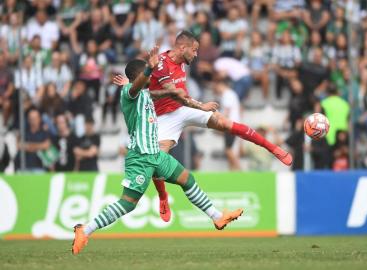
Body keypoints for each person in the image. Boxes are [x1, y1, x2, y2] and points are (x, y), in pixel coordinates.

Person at [72, 47, 243, 255]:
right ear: (140, 75)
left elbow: (155, 92)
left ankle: (217, 216)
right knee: (128, 204)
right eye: (149, 73)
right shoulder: (128, 93)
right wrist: (149, 69)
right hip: (141, 157)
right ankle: (85, 229)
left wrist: (186, 99)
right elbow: (136, 88)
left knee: (187, 179)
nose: (152, 75)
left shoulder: (144, 93)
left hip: (156, 155)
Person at [114, 30, 292, 223]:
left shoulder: (182, 61)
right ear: (183, 47)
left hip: (184, 107)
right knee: (158, 160)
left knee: (225, 122)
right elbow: (174, 93)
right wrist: (202, 106)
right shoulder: (163, 64)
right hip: (164, 117)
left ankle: (272, 148)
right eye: (195, 50)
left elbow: (177, 96)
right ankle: (163, 198)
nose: (196, 54)